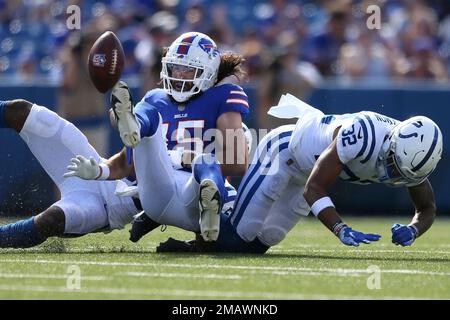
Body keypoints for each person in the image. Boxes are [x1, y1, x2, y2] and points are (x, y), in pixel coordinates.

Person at [158, 94, 442, 253]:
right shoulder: (362, 133)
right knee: (240, 235)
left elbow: (427, 207)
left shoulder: (412, 161)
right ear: (392, 141)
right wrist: (340, 229)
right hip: (285, 153)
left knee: (261, 241)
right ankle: (169, 210)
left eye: (401, 172)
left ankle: (198, 236)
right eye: (392, 163)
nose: (393, 172)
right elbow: (314, 188)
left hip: (308, 172)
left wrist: (413, 229)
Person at [66, 31, 250, 243]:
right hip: (158, 186)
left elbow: (237, 162)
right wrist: (99, 170)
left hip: (195, 189)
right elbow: (128, 161)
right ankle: (134, 121)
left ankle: (209, 208)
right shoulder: (157, 98)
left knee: (204, 162)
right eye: (176, 67)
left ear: (208, 71)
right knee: (149, 114)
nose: (179, 74)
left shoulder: (224, 95)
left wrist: (182, 159)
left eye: (188, 69)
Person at [0, 99, 140, 248]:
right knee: (26, 113)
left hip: (106, 207)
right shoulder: (156, 110)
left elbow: (164, 203)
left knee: (51, 220)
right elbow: (123, 161)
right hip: (95, 166)